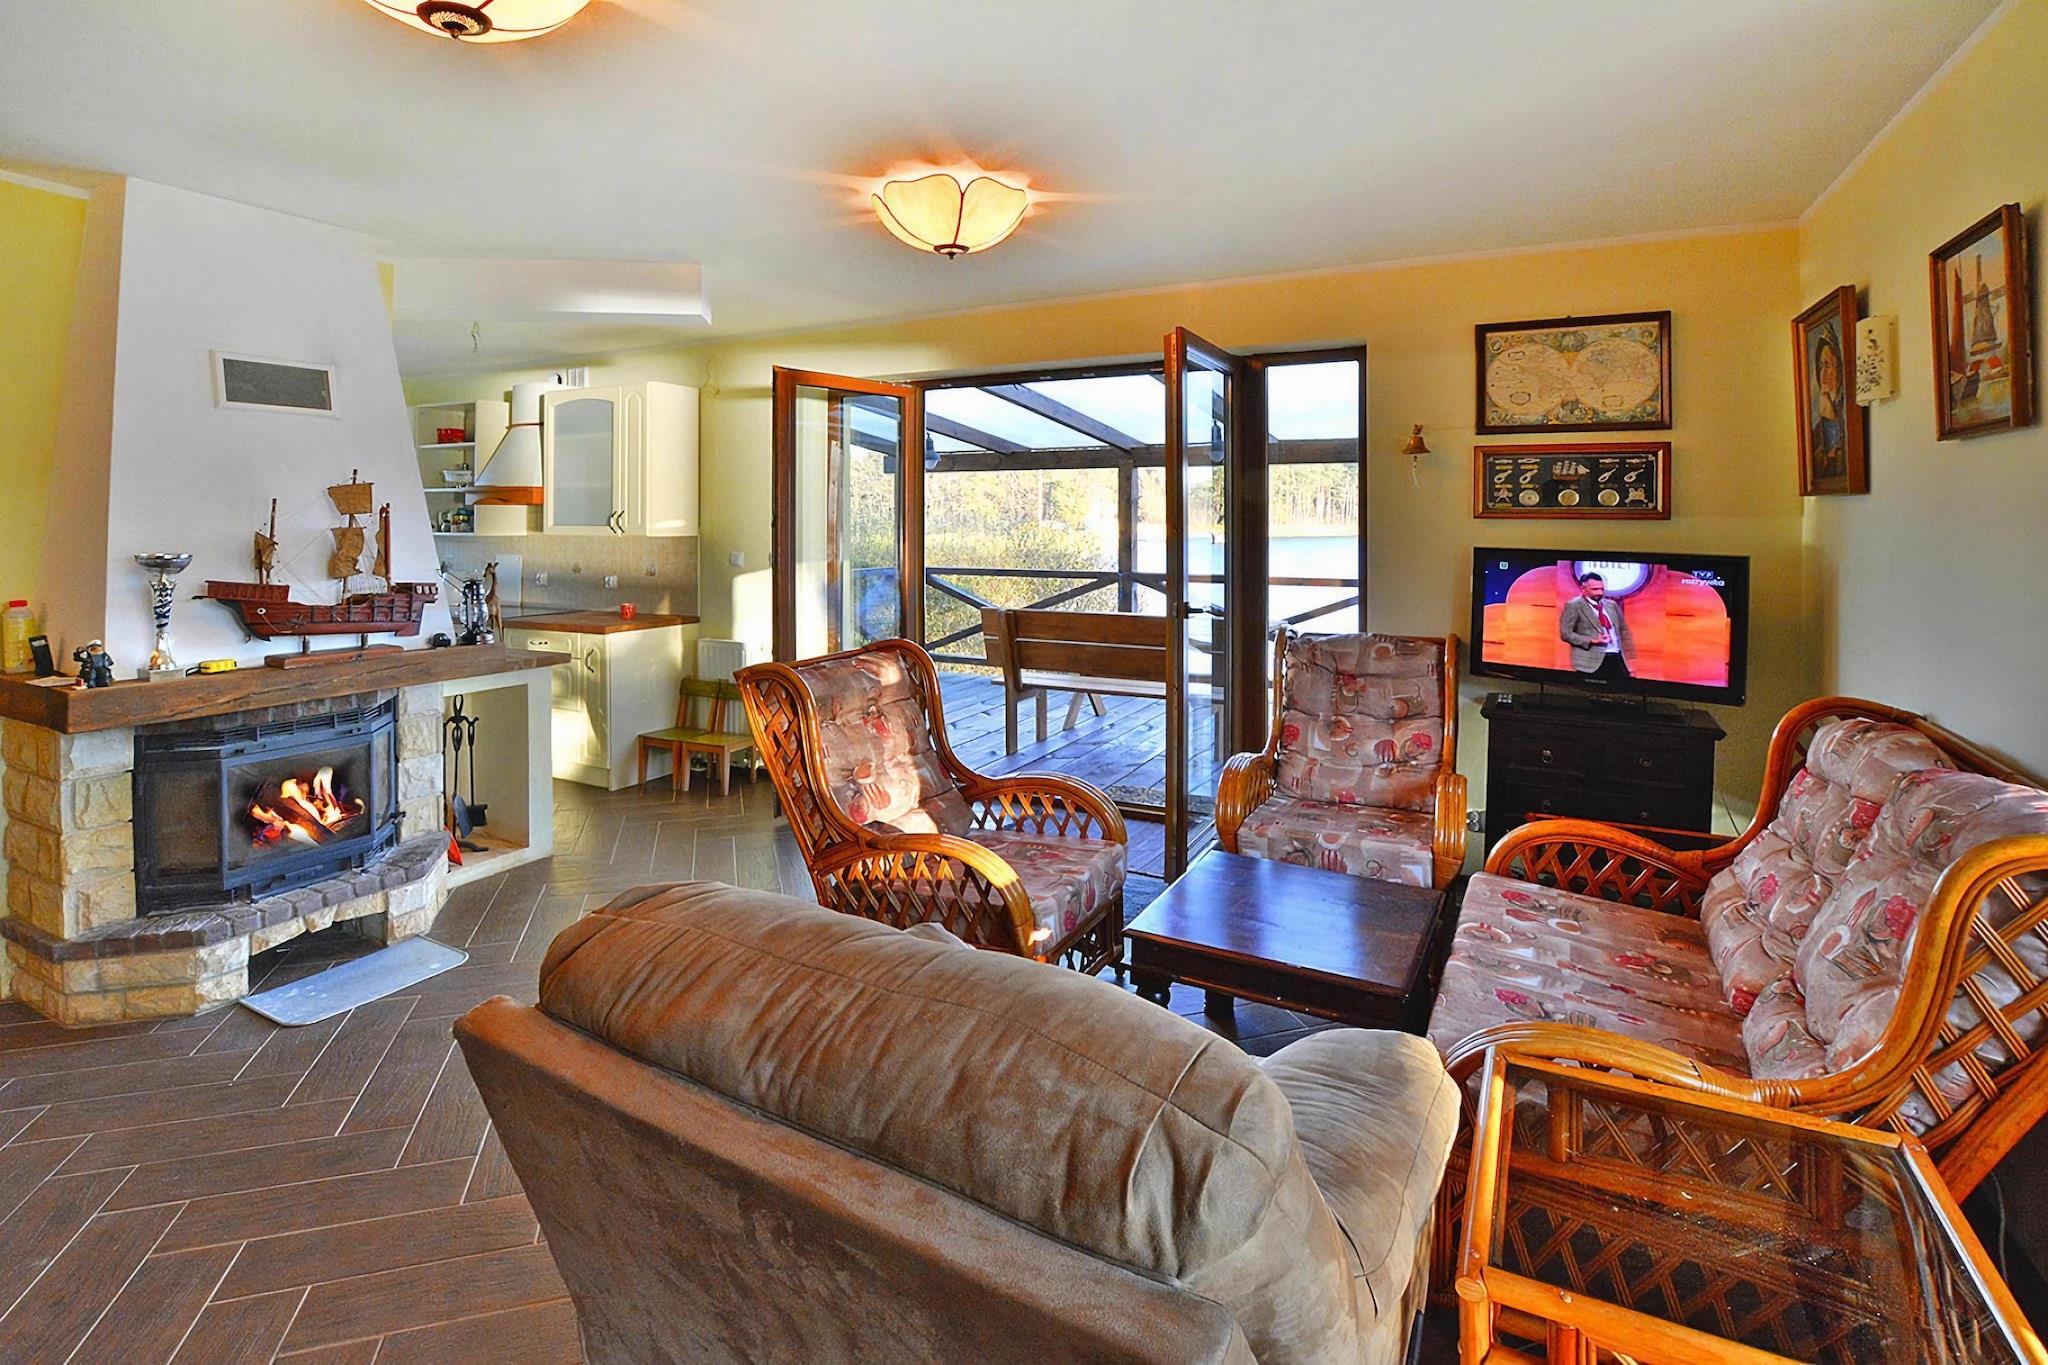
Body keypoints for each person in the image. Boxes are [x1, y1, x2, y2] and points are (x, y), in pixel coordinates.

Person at [1558, 572, 1634, 682]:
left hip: (1617, 658)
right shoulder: (1574, 605)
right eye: (1595, 589)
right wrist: (1592, 640)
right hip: (1590, 662)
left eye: (1602, 589)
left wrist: (1631, 658)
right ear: (1583, 589)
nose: (1600, 592)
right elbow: (1566, 634)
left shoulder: (1611, 605)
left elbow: (1623, 630)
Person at [1809, 330, 1847, 481]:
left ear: (1839, 370)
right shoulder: (1818, 428)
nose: (1823, 373)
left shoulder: (1848, 416)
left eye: (1827, 365)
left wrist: (1831, 419)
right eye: (1820, 366)